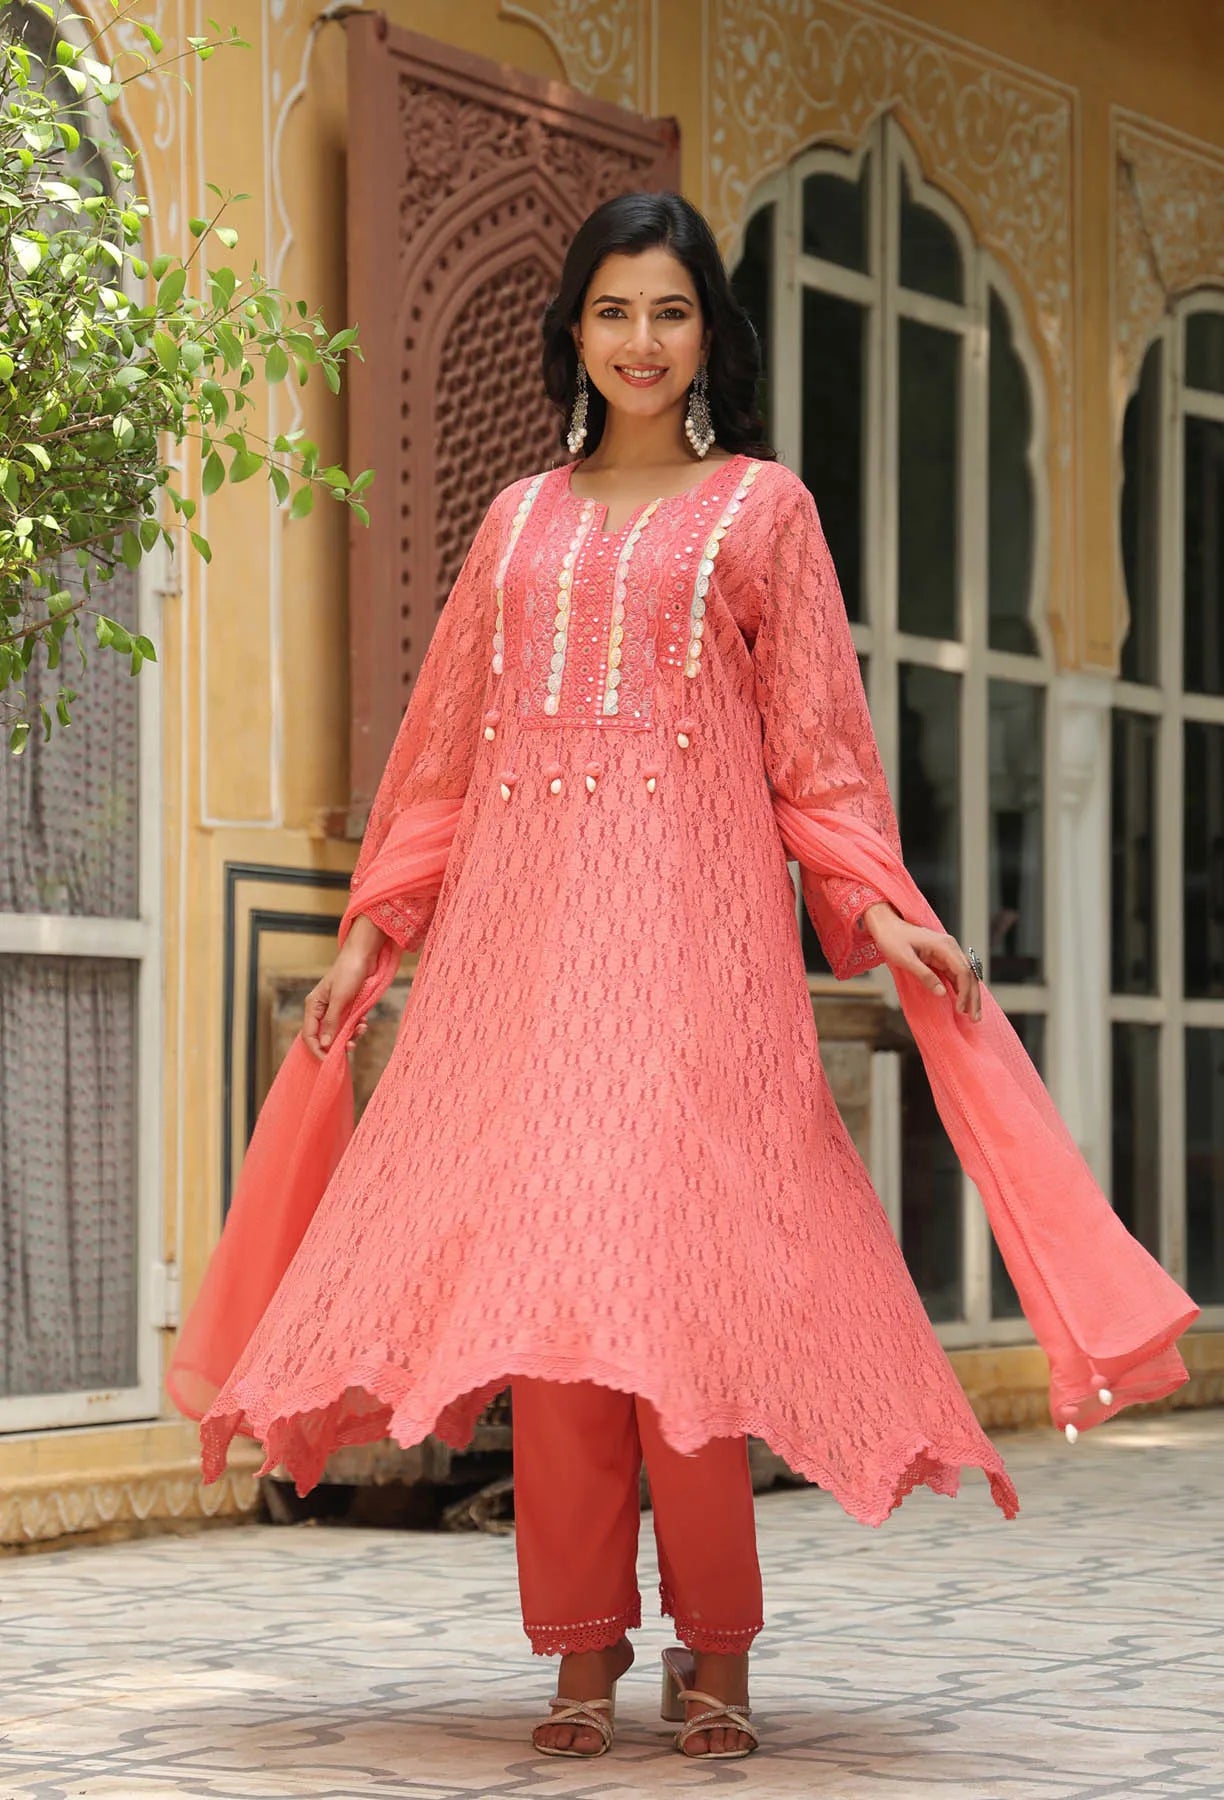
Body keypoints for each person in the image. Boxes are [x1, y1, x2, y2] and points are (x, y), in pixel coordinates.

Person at [166, 191, 1198, 1764]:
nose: (642, 342)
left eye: (670, 312)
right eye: (614, 312)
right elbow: (444, 755)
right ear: (572, 333)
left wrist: (877, 908)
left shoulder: (762, 511)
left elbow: (820, 761)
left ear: (709, 332)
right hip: (527, 969)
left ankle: (715, 1644)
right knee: (564, 1321)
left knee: (683, 1315)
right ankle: (581, 1653)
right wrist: (379, 931)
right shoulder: (516, 523)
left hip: (694, 967)